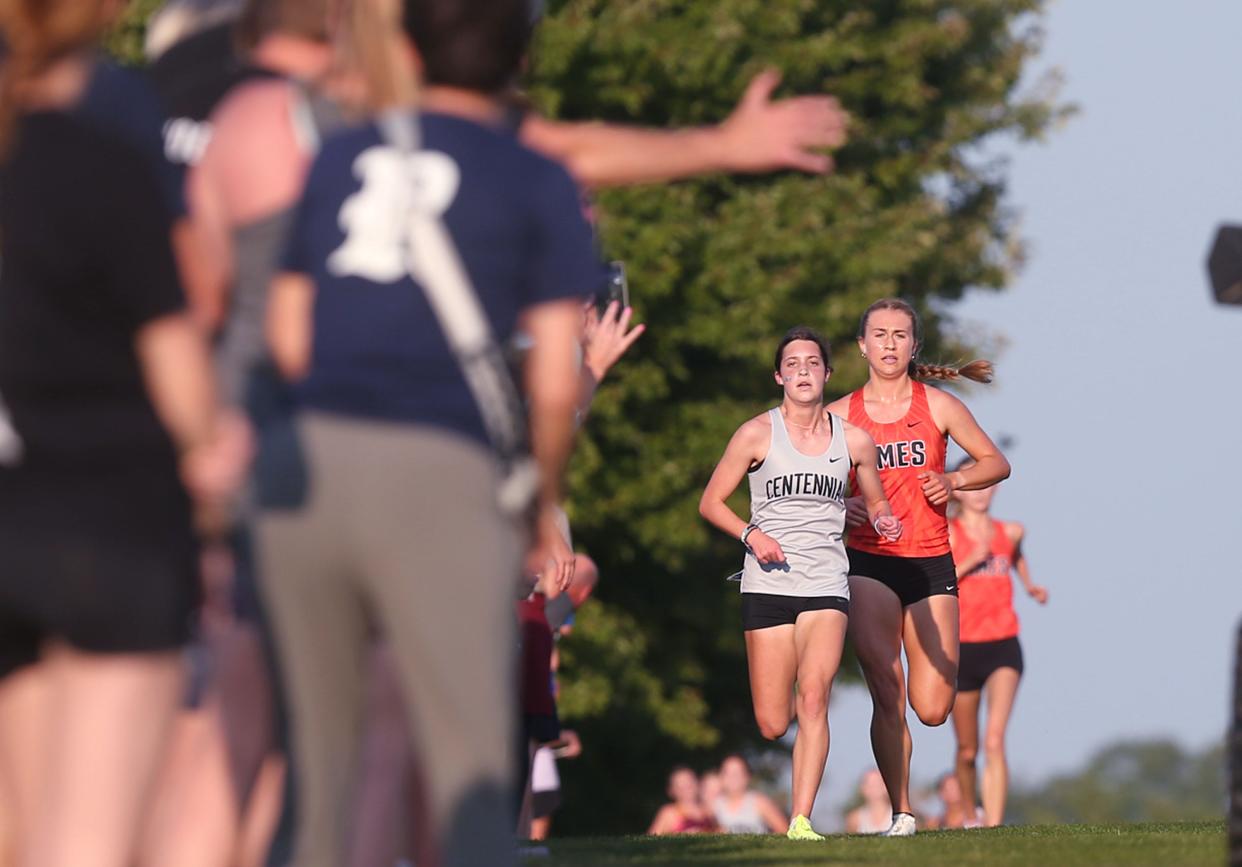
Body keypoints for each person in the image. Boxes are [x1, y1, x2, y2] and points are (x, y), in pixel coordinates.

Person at [259, 0, 597, 863]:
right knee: (467, 766)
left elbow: (288, 334)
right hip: (440, 469)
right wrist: (540, 500)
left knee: (317, 767)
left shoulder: (340, 155)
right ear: (520, 60)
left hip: (307, 468)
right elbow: (555, 380)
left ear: (406, 50)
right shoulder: (535, 176)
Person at [0, 3, 247, 865]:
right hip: (106, 513)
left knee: (19, 830)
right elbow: (176, 343)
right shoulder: (102, 154)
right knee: (92, 841)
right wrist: (210, 450)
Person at [699, 327, 902, 842]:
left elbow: (875, 501)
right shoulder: (755, 434)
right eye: (794, 364)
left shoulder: (853, 440)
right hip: (767, 585)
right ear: (779, 376)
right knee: (772, 721)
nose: (804, 371)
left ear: (828, 374)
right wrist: (751, 533)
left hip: (827, 584)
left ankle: (801, 819)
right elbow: (710, 503)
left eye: (813, 363)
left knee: (814, 698)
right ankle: (794, 797)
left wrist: (882, 519)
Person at [824, 297, 1011, 837]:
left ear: (914, 346)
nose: (888, 343)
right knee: (887, 688)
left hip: (931, 562)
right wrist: (843, 503)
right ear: (862, 346)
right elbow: (804, 487)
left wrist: (953, 482)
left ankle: (914, 798)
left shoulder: (940, 406)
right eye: (878, 334)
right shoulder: (838, 416)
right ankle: (902, 811)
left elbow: (996, 462)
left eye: (899, 335)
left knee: (931, 708)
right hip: (868, 562)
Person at [949, 462, 1047, 828]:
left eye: (986, 485)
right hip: (961, 649)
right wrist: (970, 562)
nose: (980, 492)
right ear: (957, 490)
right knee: (967, 749)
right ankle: (965, 813)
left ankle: (993, 825)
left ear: (996, 489)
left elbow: (1016, 557)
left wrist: (1029, 585)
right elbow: (937, 582)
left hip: (1004, 644)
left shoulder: (1012, 531)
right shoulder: (949, 533)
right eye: (972, 486)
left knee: (994, 739)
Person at [711, 754, 788, 835]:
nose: (732, 777)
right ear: (720, 776)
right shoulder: (714, 804)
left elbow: (783, 829)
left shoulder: (759, 802)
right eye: (727, 773)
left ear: (747, 776)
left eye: (737, 773)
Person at [647, 768, 718, 836]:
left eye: (689, 782)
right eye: (680, 785)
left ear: (697, 782)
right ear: (671, 791)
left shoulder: (708, 810)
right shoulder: (668, 812)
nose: (687, 788)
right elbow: (650, 842)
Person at [844, 769, 892, 835]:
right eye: (869, 784)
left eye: (877, 784)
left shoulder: (900, 818)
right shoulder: (854, 819)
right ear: (862, 789)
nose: (873, 788)